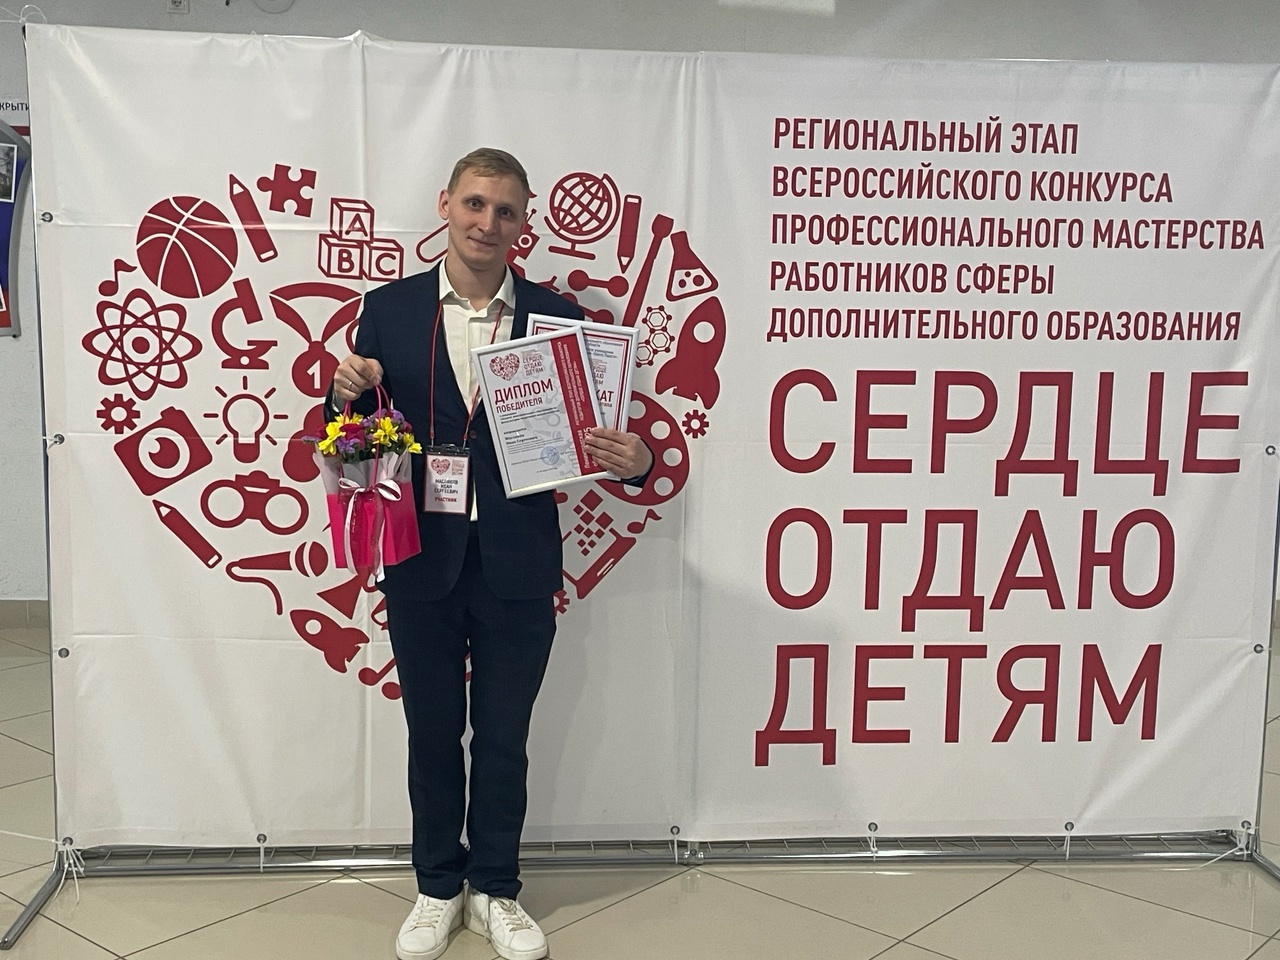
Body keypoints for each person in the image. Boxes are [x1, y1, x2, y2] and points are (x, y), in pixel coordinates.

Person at [329, 147, 653, 960]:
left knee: (505, 737)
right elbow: (354, 432)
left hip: (518, 557)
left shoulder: (560, 318)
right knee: (432, 734)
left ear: (523, 224)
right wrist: (339, 395)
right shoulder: (388, 309)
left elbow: (600, 435)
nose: (487, 223)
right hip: (419, 554)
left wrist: (635, 459)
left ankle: (497, 889)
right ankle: (438, 886)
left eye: (505, 211)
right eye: (475, 204)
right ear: (445, 204)